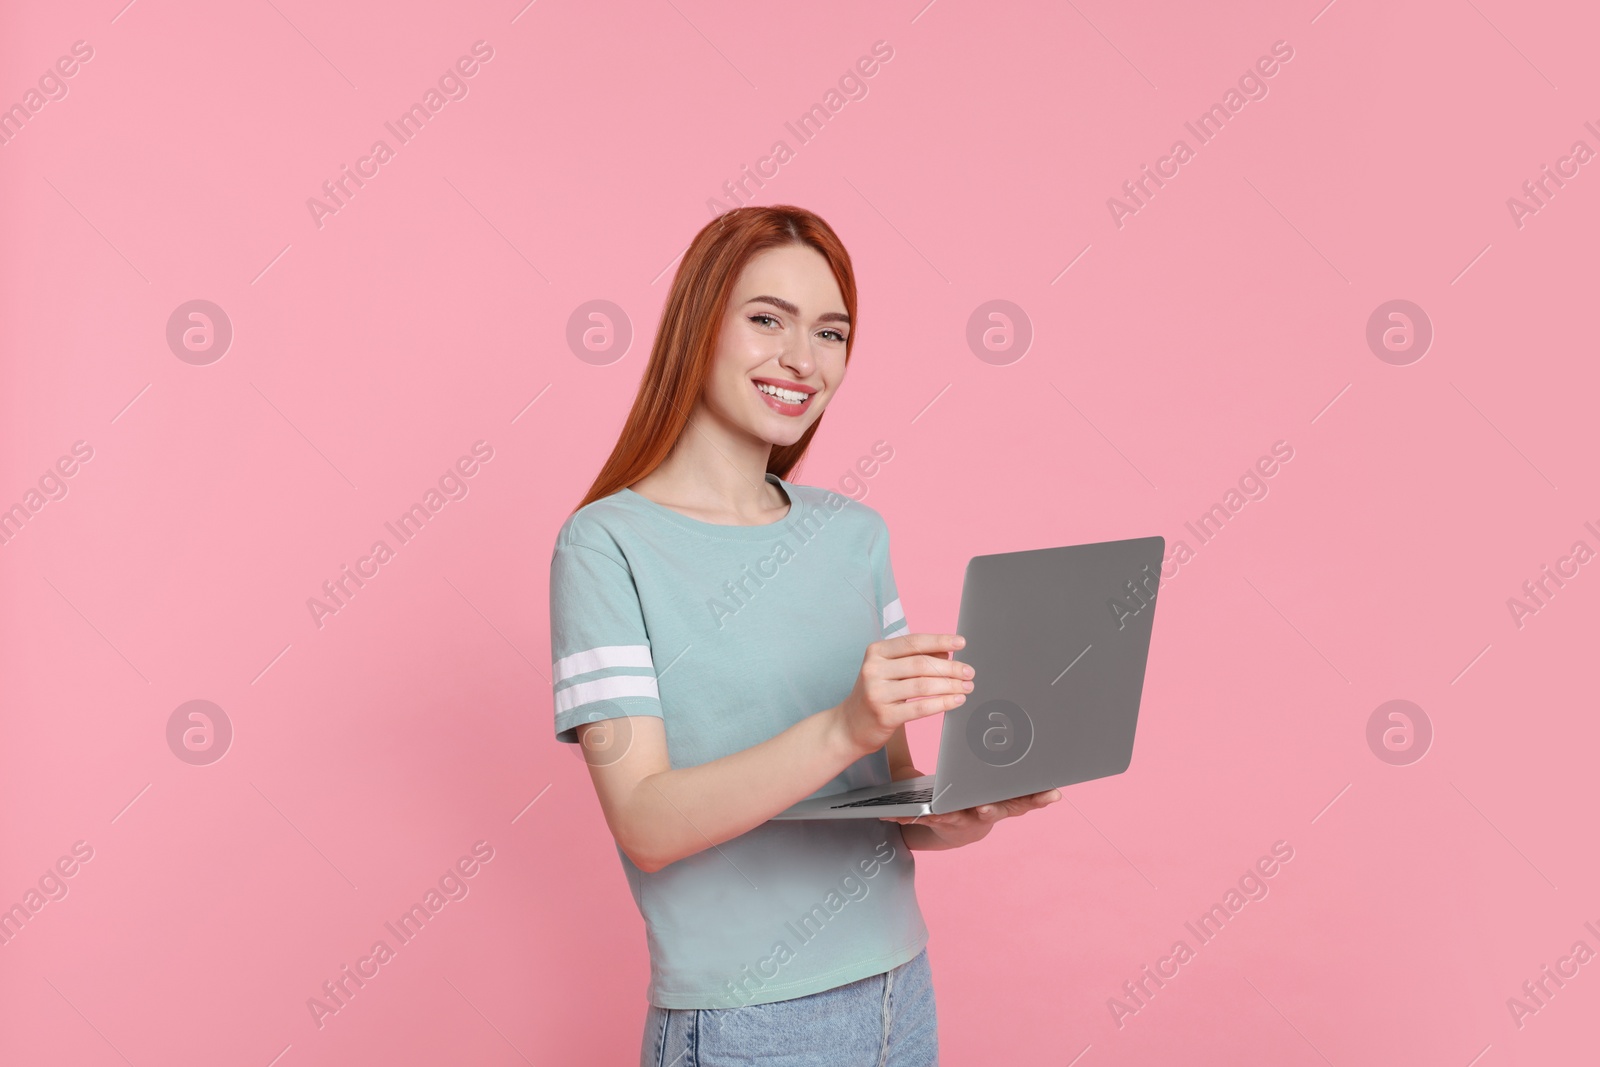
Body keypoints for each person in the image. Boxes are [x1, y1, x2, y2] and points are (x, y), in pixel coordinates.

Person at [547, 205, 1061, 1065]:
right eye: (766, 319)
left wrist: (964, 809)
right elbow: (645, 820)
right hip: (746, 1023)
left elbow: (885, 802)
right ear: (697, 325)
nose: (802, 358)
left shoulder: (855, 537)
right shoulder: (605, 545)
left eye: (831, 332)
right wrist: (842, 726)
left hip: (900, 991)